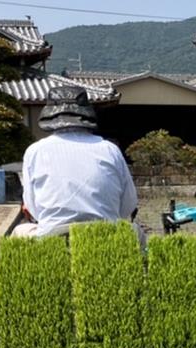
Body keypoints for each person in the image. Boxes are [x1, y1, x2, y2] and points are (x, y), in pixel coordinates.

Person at [13, 85, 141, 239]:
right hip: (106, 233)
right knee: (136, 232)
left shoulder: (35, 151)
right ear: (87, 114)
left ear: (49, 115)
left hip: (53, 235)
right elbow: (128, 203)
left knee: (19, 233)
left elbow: (33, 207)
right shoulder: (110, 149)